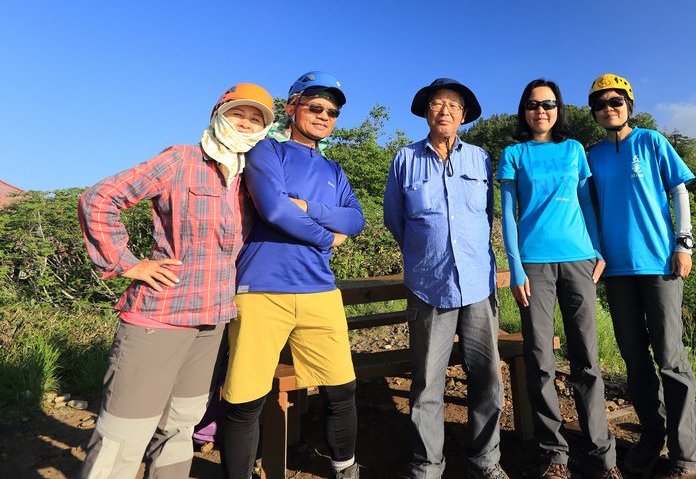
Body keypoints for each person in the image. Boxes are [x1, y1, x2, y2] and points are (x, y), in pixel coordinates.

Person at [77, 83, 274, 479]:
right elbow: (99, 199)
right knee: (124, 434)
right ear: (218, 115)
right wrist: (127, 263)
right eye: (239, 114)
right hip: (160, 318)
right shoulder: (181, 160)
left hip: (212, 321)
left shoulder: (250, 178)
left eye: (257, 119)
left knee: (181, 428)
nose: (246, 124)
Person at [221, 71, 365, 479]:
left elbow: (356, 220)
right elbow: (274, 209)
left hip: (320, 290)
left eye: (332, 112)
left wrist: (309, 207)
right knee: (246, 399)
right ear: (292, 107)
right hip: (261, 289)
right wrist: (326, 237)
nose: (324, 116)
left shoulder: (334, 170)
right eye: (315, 107)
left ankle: (344, 468)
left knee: (343, 390)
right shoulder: (266, 151)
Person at [383, 78, 508, 479]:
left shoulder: (480, 159)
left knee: (487, 379)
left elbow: (487, 214)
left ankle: (485, 461)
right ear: (425, 112)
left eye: (454, 106)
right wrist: (426, 255)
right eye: (437, 104)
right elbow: (394, 218)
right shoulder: (405, 159)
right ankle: (426, 467)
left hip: (477, 284)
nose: (445, 112)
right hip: (428, 284)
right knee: (426, 385)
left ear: (464, 116)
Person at [497, 79, 621, 479]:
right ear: (524, 111)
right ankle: (554, 454)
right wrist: (515, 266)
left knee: (586, 358)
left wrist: (597, 248)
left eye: (548, 104)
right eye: (533, 105)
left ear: (558, 109)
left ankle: (603, 454)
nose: (540, 111)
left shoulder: (574, 150)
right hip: (534, 265)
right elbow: (509, 215)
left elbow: (587, 202)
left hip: (579, 261)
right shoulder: (514, 154)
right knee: (540, 359)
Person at [585, 73, 696, 477]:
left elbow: (679, 189)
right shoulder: (593, 155)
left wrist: (683, 243)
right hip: (615, 270)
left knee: (671, 359)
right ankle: (652, 437)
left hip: (659, 264)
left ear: (628, 104)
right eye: (600, 104)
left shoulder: (651, 141)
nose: (608, 109)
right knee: (636, 360)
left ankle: (687, 457)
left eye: (615, 101)